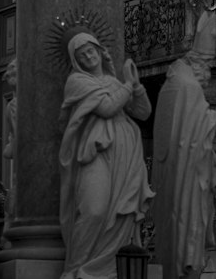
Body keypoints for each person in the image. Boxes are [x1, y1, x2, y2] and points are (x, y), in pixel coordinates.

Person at [58, 29, 152, 279]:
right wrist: (128, 85)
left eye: (91, 50)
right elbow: (108, 108)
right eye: (82, 55)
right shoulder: (77, 82)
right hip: (95, 150)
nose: (88, 57)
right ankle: (76, 268)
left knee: (122, 212)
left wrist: (137, 85)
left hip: (126, 153)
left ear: (100, 51)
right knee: (94, 209)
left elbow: (143, 113)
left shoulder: (114, 82)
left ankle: (111, 269)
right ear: (76, 61)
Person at [152, 10, 216, 279]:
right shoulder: (188, 87)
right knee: (189, 240)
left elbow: (184, 130)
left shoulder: (173, 85)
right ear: (197, 63)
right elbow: (191, 136)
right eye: (207, 66)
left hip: (175, 180)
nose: (208, 75)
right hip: (186, 183)